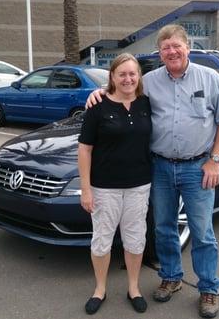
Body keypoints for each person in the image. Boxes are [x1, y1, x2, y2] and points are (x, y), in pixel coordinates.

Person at [86, 24, 219, 318]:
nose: (171, 52)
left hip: (198, 168)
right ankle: (171, 278)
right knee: (164, 228)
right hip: (160, 167)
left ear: (187, 48)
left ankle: (208, 288)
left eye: (176, 46)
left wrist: (215, 159)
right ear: (160, 52)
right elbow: (122, 90)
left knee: (202, 232)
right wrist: (98, 92)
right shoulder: (150, 81)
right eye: (165, 47)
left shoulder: (210, 79)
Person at [78, 53, 152, 315]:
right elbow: (84, 149)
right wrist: (86, 189)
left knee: (135, 239)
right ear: (112, 77)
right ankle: (100, 289)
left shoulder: (146, 103)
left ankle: (134, 288)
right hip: (104, 187)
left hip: (139, 186)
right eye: (122, 74)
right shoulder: (97, 107)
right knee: (102, 240)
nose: (128, 79)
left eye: (133, 74)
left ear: (139, 77)